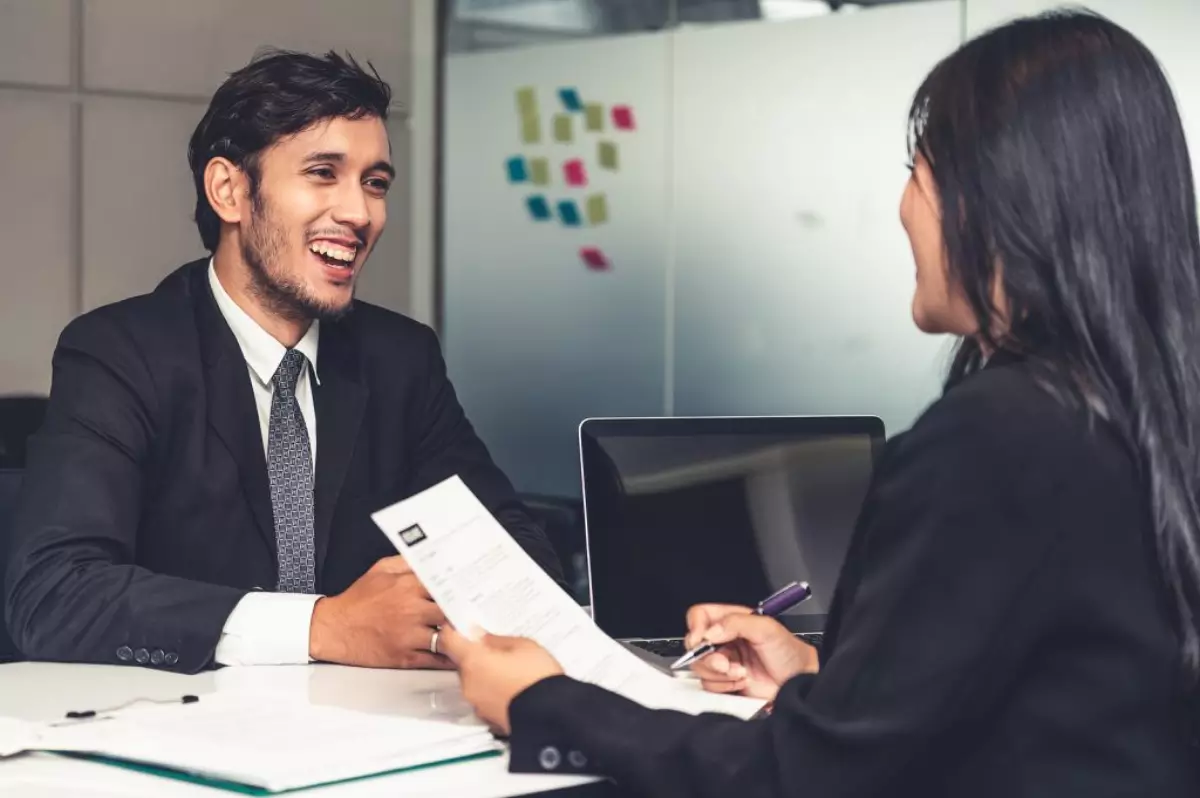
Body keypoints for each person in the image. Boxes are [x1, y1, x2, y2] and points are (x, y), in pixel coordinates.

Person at [441, 11, 1200, 796]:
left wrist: (544, 702)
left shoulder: (1001, 435)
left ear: (991, 192)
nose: (902, 206)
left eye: (917, 169)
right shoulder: (1137, 411)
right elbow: (1059, 702)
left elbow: (807, 780)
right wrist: (821, 675)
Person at [4, 50, 563, 674]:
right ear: (230, 191)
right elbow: (53, 592)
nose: (360, 213)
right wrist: (322, 626)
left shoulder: (401, 358)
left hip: (377, 717)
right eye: (323, 172)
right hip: (184, 717)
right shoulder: (121, 352)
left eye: (375, 183)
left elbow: (518, 559)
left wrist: (450, 598)